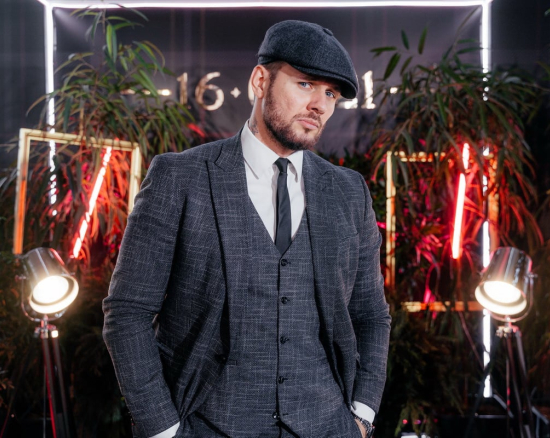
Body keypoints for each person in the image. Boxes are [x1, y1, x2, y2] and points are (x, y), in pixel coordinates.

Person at [103, 20, 391, 438]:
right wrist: (163, 430)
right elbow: (127, 313)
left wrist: (362, 416)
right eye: (306, 84)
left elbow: (372, 315)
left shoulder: (348, 191)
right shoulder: (180, 178)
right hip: (207, 426)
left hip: (328, 425)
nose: (320, 105)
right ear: (260, 81)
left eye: (331, 94)